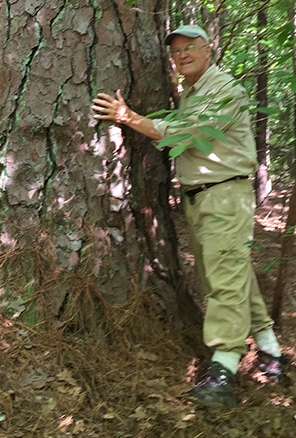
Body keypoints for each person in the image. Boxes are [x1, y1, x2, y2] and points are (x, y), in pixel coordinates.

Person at [92, 24, 284, 407]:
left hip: (224, 194)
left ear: (208, 49)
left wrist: (127, 116)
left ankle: (224, 369)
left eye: (189, 48)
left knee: (224, 279)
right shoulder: (193, 92)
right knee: (230, 270)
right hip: (201, 196)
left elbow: (184, 133)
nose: (181, 56)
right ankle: (270, 350)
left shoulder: (225, 88)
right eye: (176, 51)